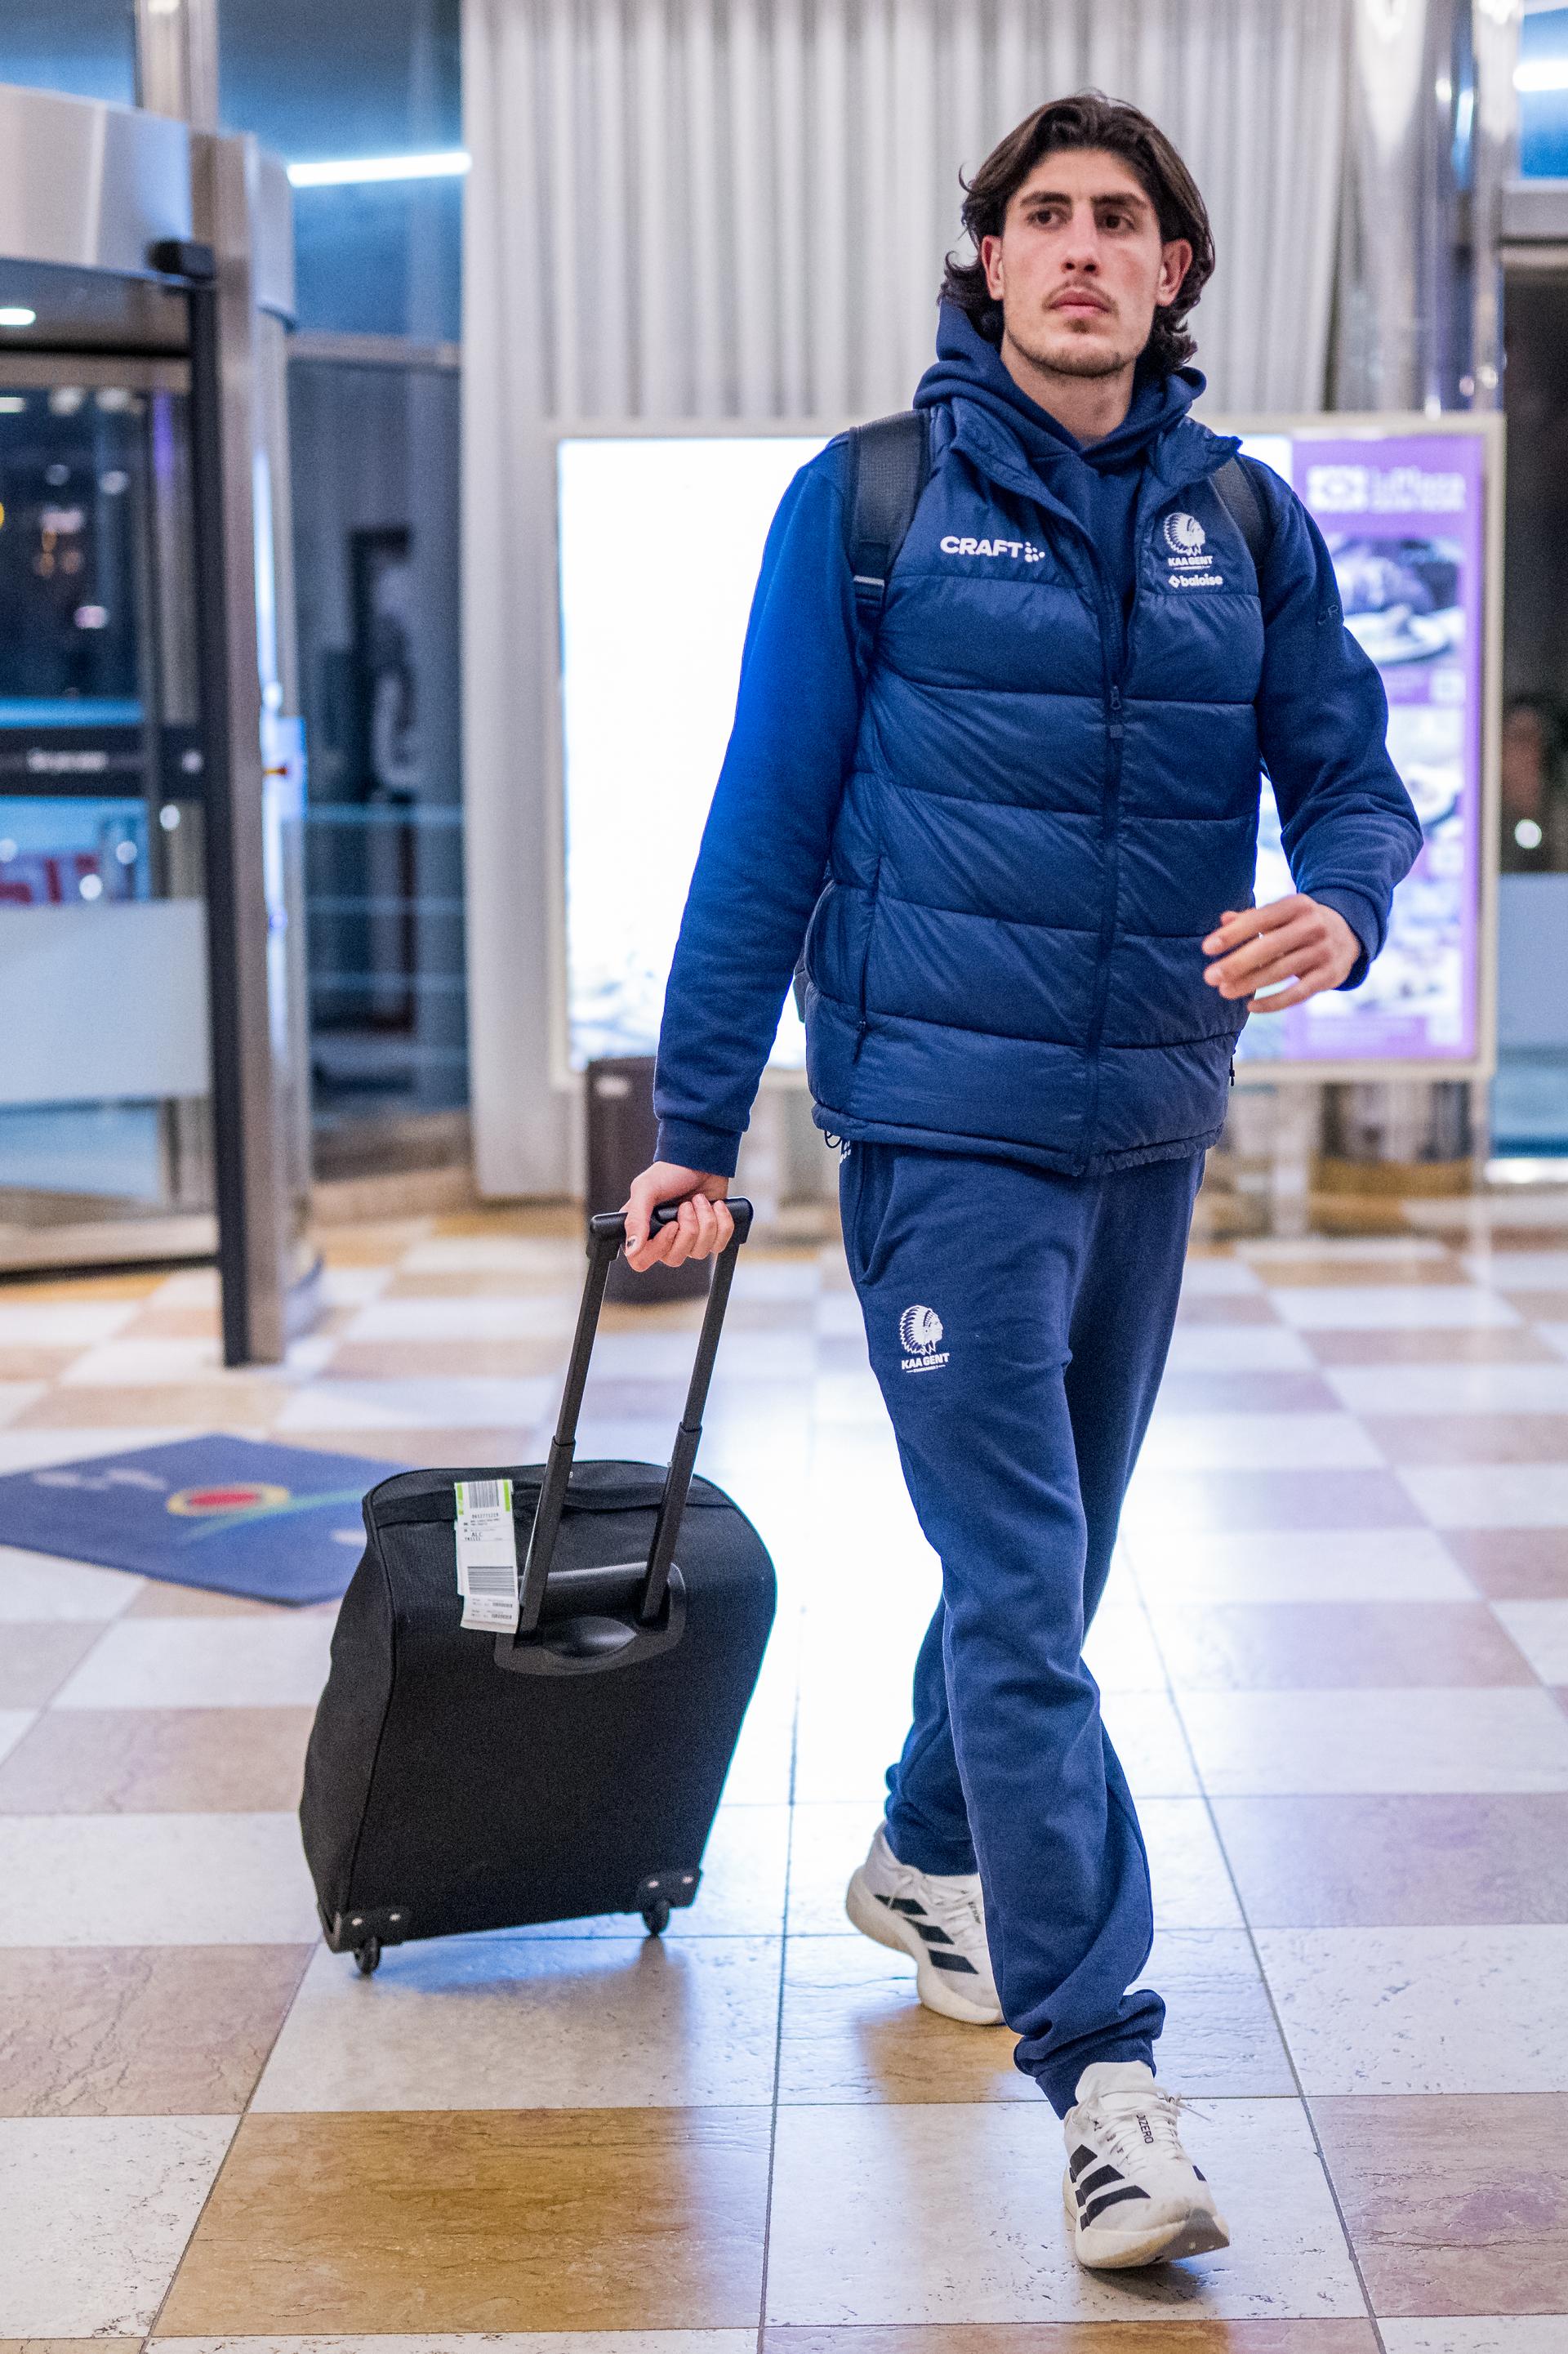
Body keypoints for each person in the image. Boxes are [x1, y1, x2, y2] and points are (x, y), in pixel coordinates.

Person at [622, 91, 1421, 2271]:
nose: (1082, 248)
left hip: (1148, 1124)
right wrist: (693, 1124)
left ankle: (920, 1849)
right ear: (987, 264)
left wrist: (1343, 907)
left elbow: (1356, 784)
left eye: (1121, 219)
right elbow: (768, 816)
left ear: (1175, 271)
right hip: (942, 1135)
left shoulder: (1243, 522)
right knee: (1024, 1582)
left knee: (1043, 1574)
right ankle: (1109, 2082)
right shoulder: (873, 501)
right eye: (1043, 217)